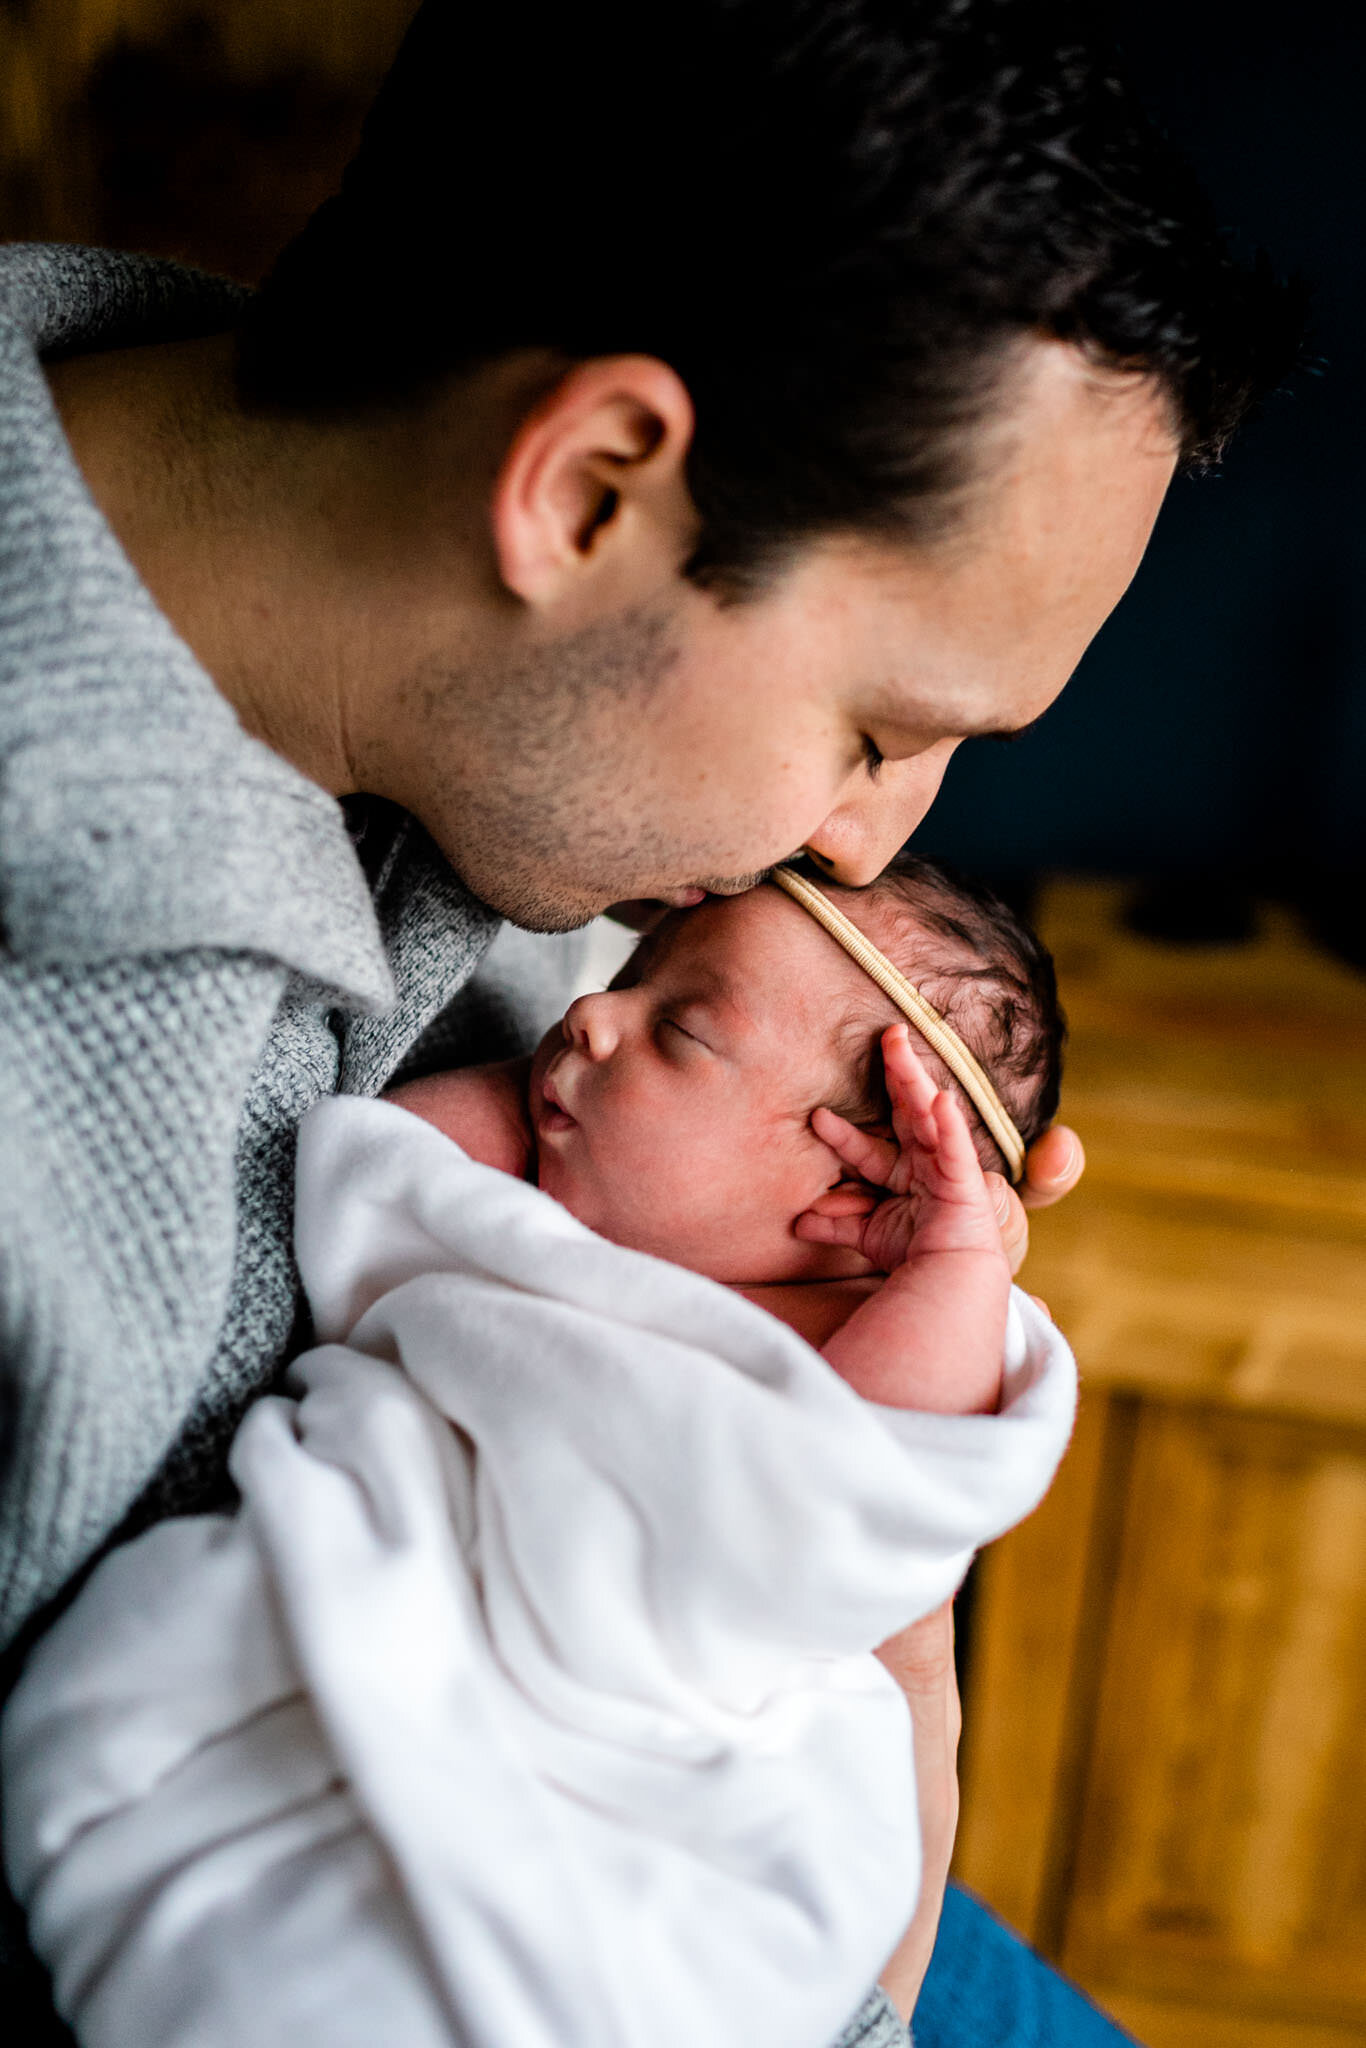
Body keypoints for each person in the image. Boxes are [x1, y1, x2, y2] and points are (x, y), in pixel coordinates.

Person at [0, 0, 1300, 2039]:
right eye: (880, 728)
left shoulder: (509, 764)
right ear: (592, 485)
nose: (864, 845)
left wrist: (852, 1460)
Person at [4, 861, 1079, 2048]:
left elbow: (875, 1485)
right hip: (360, 1609)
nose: (590, 1014)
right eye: (629, 978)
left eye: (677, 1027)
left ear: (842, 1176)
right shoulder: (502, 1229)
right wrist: (572, 1111)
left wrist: (956, 1269)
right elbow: (382, 1160)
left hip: (647, 1765)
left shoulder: (820, 1359)